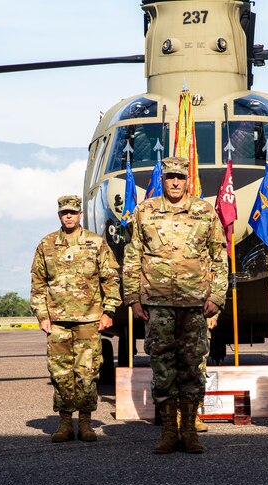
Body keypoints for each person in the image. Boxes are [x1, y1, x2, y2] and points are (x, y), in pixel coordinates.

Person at [123, 156, 228, 454]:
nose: (174, 182)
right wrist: (132, 298)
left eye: (180, 177)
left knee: (192, 367)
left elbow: (219, 257)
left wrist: (216, 297)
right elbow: (132, 257)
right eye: (170, 177)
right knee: (162, 365)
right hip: (157, 302)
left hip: (194, 303)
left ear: (187, 179)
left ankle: (190, 430)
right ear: (163, 179)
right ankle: (169, 431)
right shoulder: (145, 211)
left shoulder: (204, 211)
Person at [30, 195, 121, 443]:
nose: (68, 216)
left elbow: (111, 278)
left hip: (89, 320)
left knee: (88, 373)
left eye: (72, 212)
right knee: (60, 374)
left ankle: (86, 422)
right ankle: (64, 423)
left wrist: (109, 311)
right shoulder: (46, 244)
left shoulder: (95, 243)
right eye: (64, 212)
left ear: (80, 214)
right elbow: (38, 284)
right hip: (57, 321)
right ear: (59, 215)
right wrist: (41, 315)